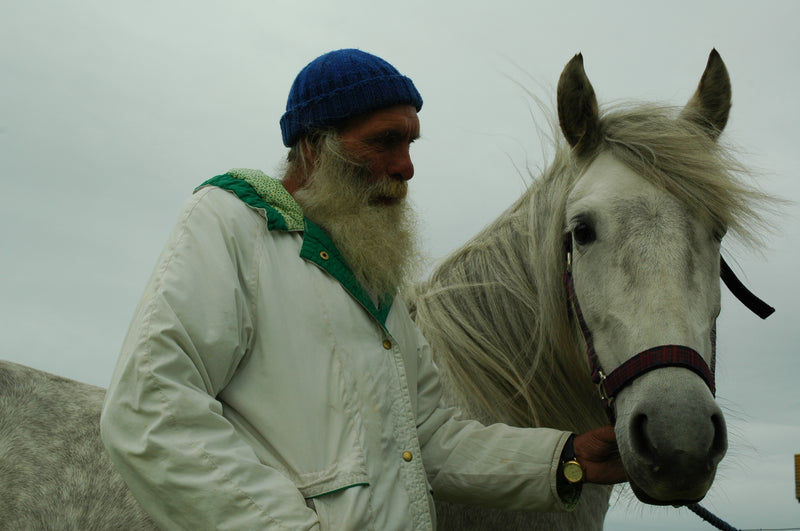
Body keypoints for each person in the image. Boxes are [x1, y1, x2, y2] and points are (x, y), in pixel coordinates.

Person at [100, 48, 625, 530]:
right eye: (384, 141)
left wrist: (568, 458)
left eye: (410, 142)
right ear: (312, 148)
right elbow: (151, 409)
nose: (406, 167)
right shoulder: (233, 223)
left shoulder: (375, 284)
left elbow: (428, 440)